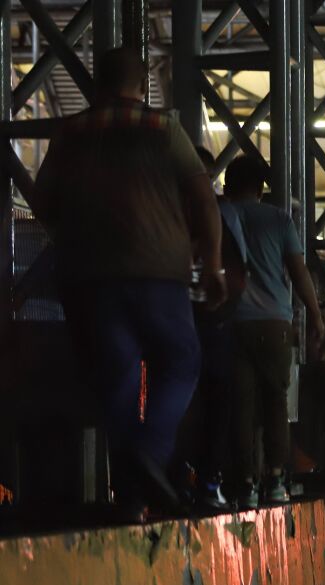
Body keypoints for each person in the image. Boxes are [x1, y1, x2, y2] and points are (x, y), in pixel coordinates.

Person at [31, 47, 226, 521]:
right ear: (143, 87)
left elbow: (43, 202)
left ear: (96, 87)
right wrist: (214, 262)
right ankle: (151, 448)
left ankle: (132, 501)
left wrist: (73, 237)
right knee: (180, 363)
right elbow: (203, 198)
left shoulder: (70, 132)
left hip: (88, 278)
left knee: (116, 379)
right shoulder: (164, 128)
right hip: (156, 270)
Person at [224, 155, 325, 507]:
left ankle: (245, 483)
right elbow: (299, 273)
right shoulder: (279, 219)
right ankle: (277, 480)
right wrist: (315, 315)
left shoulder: (221, 215)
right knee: (275, 405)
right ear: (261, 188)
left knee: (240, 407)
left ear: (226, 185)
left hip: (232, 322)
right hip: (275, 323)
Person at [184, 146, 249, 510]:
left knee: (177, 400)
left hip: (173, 320)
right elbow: (239, 270)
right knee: (218, 400)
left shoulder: (162, 209)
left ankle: (173, 480)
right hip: (211, 324)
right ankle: (208, 482)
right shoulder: (218, 213)